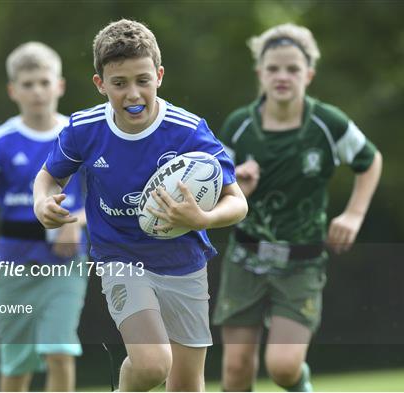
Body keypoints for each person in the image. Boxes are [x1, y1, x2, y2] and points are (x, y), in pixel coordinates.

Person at [32, 19, 248, 392]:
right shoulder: (84, 129)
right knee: (151, 365)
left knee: (185, 386)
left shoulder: (187, 130)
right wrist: (41, 202)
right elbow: (49, 176)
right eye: (119, 84)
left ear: (159, 76)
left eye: (142, 80)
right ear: (101, 84)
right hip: (121, 257)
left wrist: (203, 217)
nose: (133, 93)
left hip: (183, 262)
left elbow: (237, 202)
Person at [213, 23, 382, 392]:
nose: (282, 76)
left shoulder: (327, 123)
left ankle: (300, 382)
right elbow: (216, 191)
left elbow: (370, 161)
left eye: (292, 69)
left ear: (309, 74)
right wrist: (237, 186)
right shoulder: (239, 126)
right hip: (246, 259)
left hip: (301, 263)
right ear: (260, 74)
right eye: (273, 68)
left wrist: (354, 214)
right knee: (236, 369)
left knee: (284, 367)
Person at [0, 42, 88, 392]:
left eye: (44, 82)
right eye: (28, 84)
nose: (38, 91)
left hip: (64, 264)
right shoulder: (0, 140)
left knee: (60, 350)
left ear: (59, 85)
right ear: (14, 91)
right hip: (13, 265)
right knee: (17, 365)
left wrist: (78, 222)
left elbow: (108, 196)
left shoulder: (79, 135)